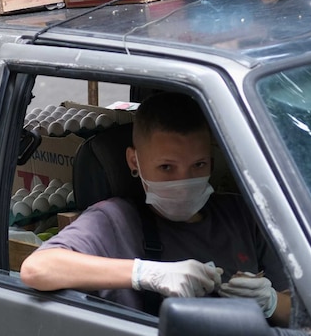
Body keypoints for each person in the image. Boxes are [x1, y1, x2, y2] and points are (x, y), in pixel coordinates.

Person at [20, 91, 292, 326]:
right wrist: (145, 274)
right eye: (166, 167)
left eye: (198, 165)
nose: (184, 183)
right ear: (133, 161)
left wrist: (270, 301)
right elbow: (38, 268)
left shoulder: (241, 216)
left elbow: (308, 315)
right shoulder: (114, 221)